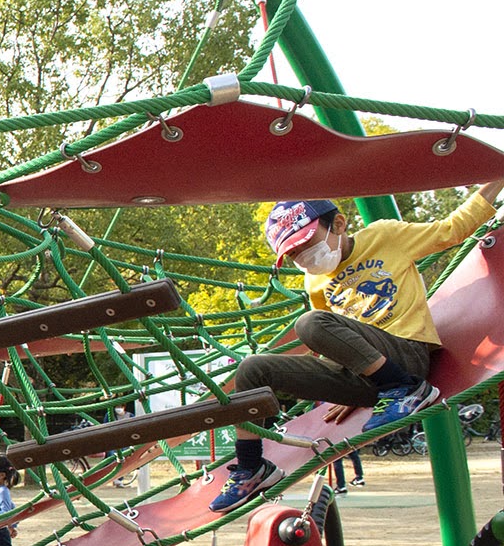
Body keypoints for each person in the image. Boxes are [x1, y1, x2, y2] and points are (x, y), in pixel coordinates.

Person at [210, 181, 502, 512]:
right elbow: (335, 342)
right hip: (373, 377)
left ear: (338, 224)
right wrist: (344, 386)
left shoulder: (385, 237)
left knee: (309, 323)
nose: (304, 258)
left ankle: (406, 388)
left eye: (306, 244)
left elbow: (452, 229)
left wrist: (495, 179)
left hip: (405, 354)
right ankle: (252, 467)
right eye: (292, 254)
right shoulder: (314, 280)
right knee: (252, 368)